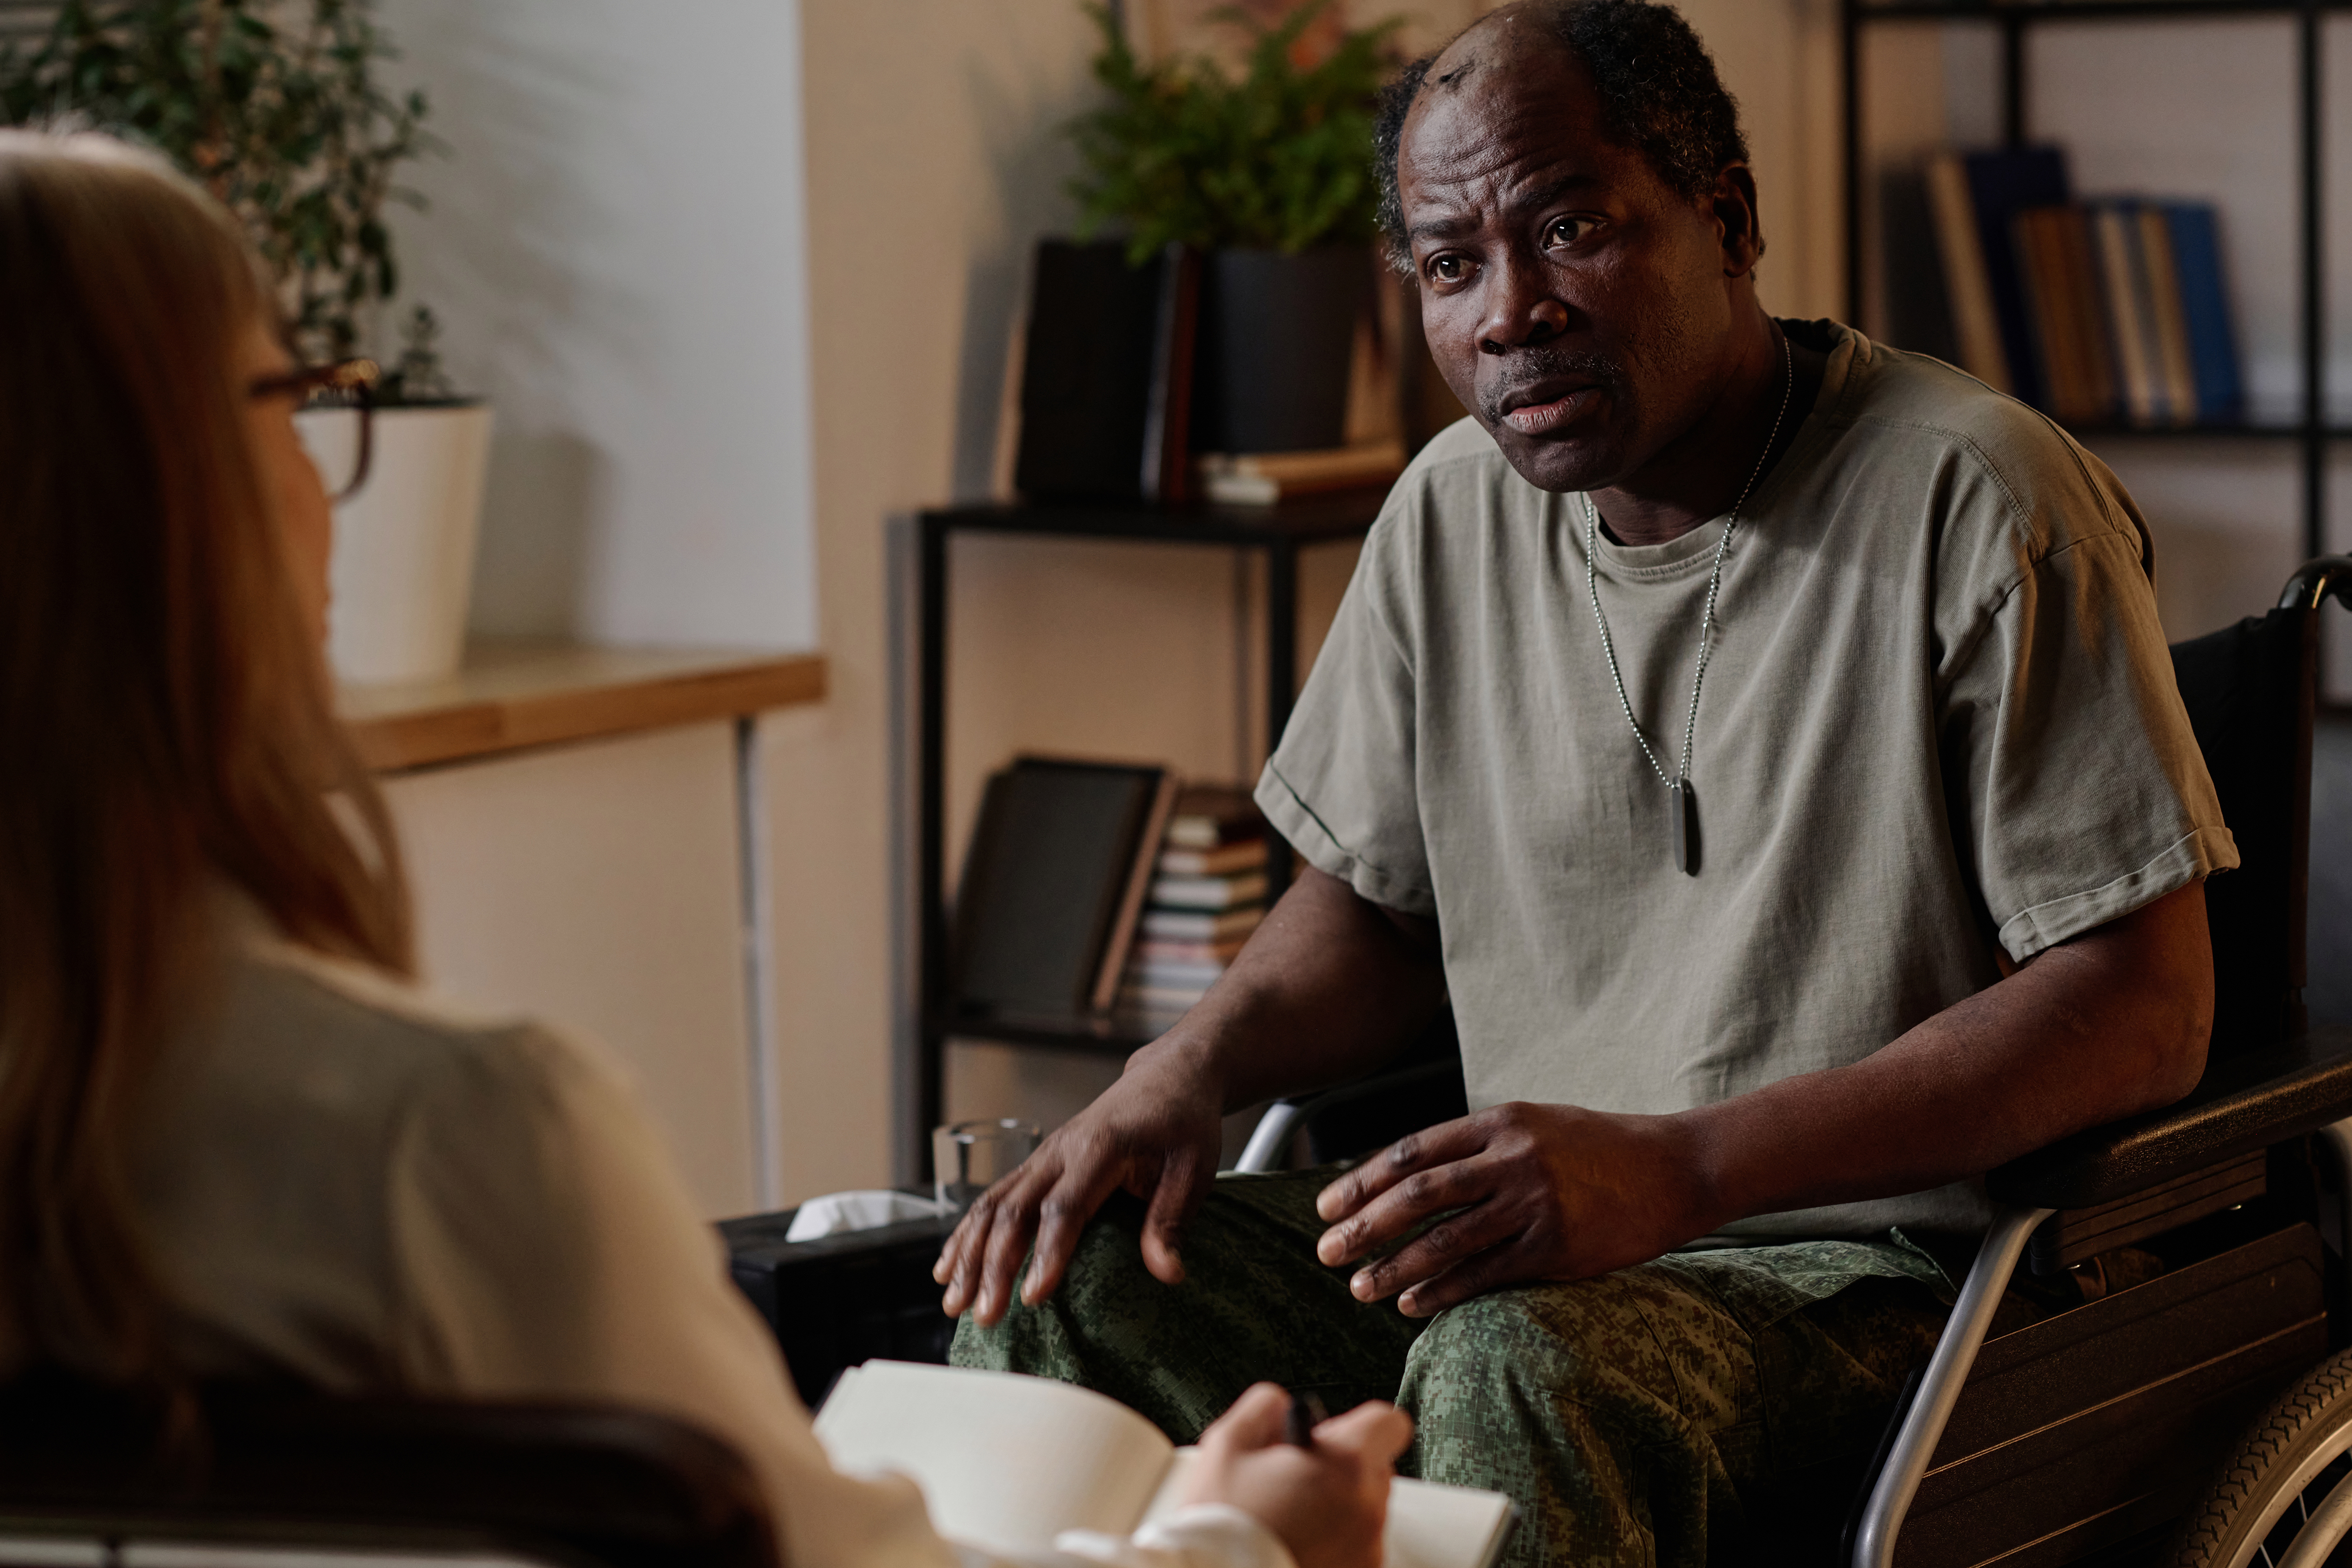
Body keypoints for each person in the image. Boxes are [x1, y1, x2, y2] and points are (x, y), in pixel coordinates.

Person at [0, 129, 1412, 1568]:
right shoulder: (452, 1143)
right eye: (290, 403)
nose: (321, 481)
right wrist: (1245, 1540)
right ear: (166, 501)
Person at [938, 2, 2231, 1564]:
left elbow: (2144, 1006)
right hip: (1527, 1252)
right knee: (1062, 1278)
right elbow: (1372, 919)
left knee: (1512, 1366)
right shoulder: (1447, 514)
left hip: (1884, 1280)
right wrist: (1185, 1068)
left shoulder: (1978, 495)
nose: (1512, 314)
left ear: (1728, 222)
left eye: (1569, 230)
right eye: (1450, 265)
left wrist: (1681, 1169)